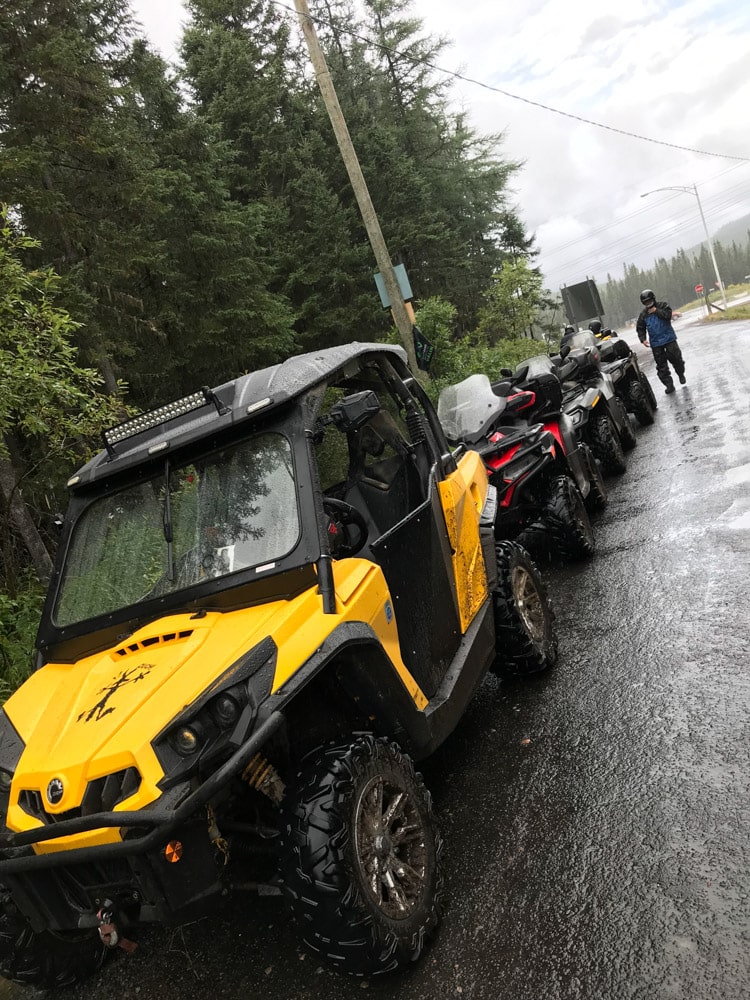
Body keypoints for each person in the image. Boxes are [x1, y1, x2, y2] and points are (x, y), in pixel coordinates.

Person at [635, 289, 686, 395]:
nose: (648, 304)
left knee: (676, 358)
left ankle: (681, 374)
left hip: (669, 339)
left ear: (653, 299)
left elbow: (668, 316)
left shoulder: (663, 305)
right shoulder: (643, 314)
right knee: (661, 367)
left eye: (649, 301)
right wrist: (643, 339)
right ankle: (669, 385)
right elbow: (640, 327)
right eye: (646, 303)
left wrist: (656, 311)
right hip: (656, 343)